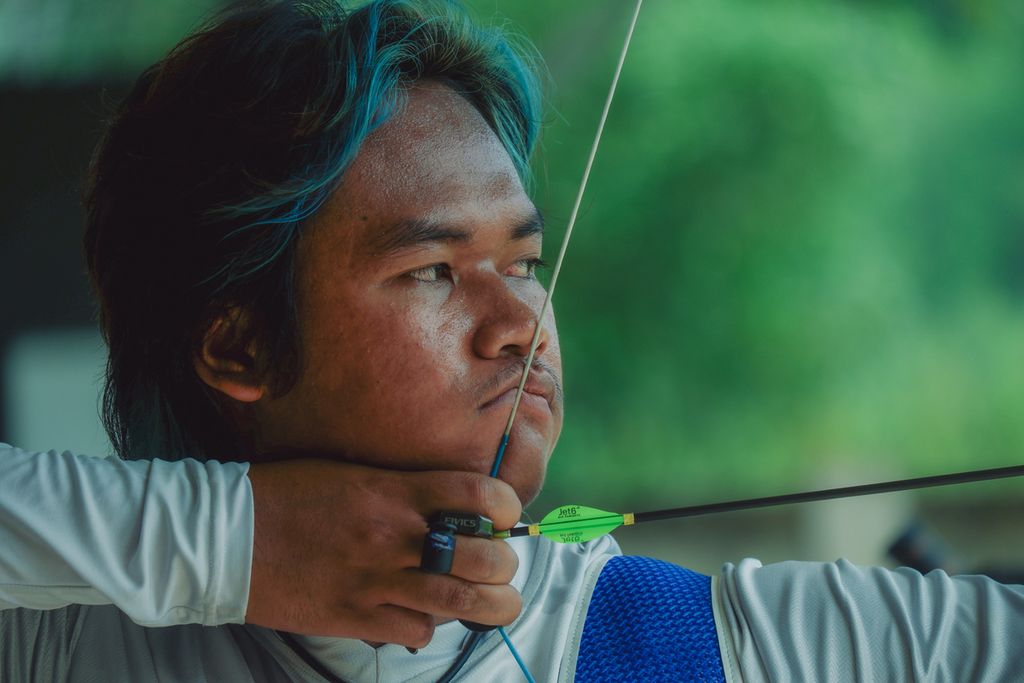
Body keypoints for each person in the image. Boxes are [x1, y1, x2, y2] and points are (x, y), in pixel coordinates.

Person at [1, 1, 1022, 681]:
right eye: (432, 271)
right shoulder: (61, 639)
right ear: (241, 348)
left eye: (524, 265)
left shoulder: (710, 647)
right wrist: (240, 541)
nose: (521, 325)